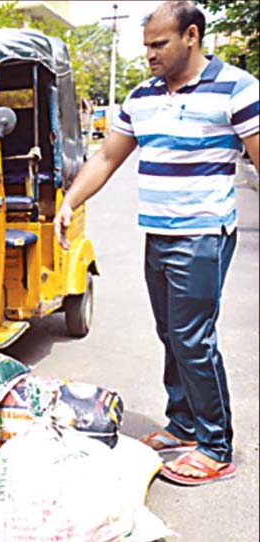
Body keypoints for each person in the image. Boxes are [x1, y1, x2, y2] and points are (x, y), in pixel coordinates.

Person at [54, 1, 259, 486]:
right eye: (145, 45)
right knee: (170, 332)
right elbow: (106, 157)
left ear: (192, 36)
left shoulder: (237, 88)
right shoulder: (142, 96)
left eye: (158, 44)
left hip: (204, 233)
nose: (148, 54)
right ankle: (184, 424)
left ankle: (215, 445)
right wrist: (70, 202)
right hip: (159, 232)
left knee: (193, 337)